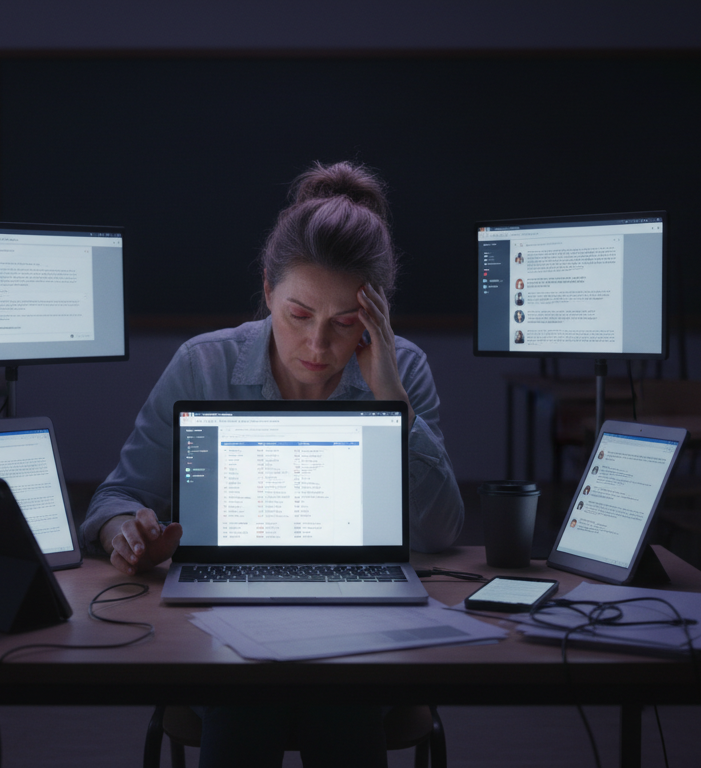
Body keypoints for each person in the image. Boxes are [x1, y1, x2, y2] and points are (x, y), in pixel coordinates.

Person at [82, 161, 464, 768]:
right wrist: (127, 531)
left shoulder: (403, 370)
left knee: (344, 704)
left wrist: (395, 405)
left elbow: (441, 532)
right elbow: (117, 495)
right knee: (243, 697)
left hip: (360, 630)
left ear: (375, 316)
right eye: (298, 314)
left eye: (345, 323)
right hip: (223, 623)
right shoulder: (202, 364)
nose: (318, 346)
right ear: (267, 290)